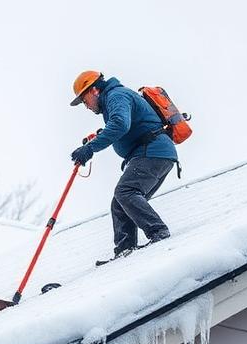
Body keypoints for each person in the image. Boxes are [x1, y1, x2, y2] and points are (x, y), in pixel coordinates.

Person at [70, 71, 177, 261]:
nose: (85, 106)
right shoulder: (114, 99)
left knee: (126, 192)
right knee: (119, 203)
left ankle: (158, 231)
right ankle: (125, 249)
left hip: (153, 152)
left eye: (84, 100)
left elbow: (120, 124)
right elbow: (126, 123)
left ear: (94, 90)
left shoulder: (116, 95)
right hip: (155, 154)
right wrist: (101, 134)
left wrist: (90, 148)